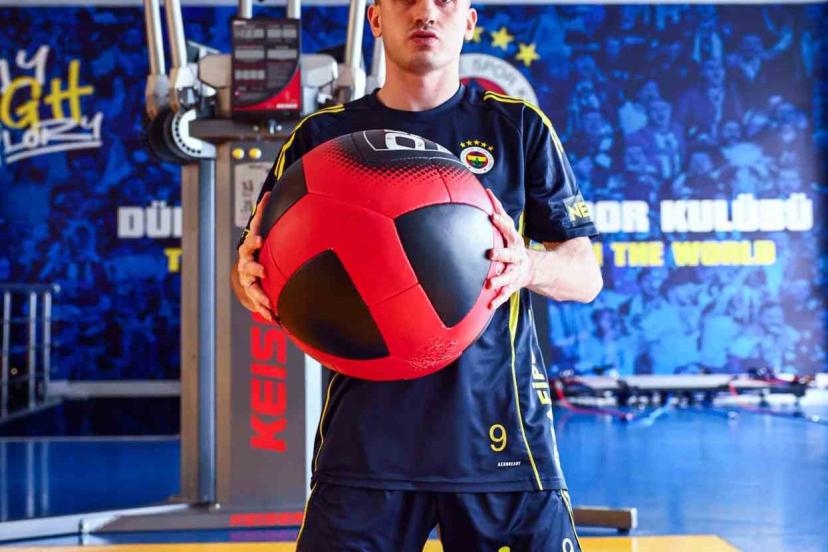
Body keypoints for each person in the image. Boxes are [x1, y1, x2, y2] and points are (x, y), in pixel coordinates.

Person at [232, 1, 602, 550]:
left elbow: (585, 276)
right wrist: (248, 280)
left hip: (497, 439)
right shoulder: (323, 137)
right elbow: (252, 274)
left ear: (469, 22)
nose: (426, 11)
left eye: (445, 0)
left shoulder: (516, 127)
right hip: (365, 448)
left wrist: (528, 265)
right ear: (376, 19)